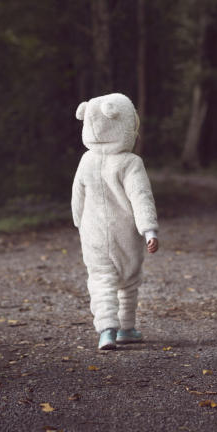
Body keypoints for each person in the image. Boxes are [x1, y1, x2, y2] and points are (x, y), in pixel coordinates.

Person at [71, 93, 159, 351]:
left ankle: (106, 330)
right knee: (129, 281)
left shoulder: (86, 160)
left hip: (93, 233)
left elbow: (78, 194)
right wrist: (149, 229)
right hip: (126, 234)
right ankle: (126, 328)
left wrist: (78, 221)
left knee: (100, 280)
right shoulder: (131, 163)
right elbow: (141, 197)